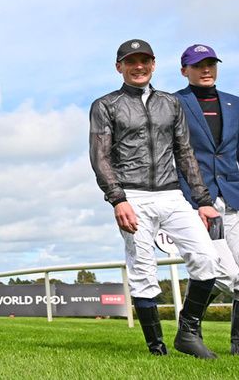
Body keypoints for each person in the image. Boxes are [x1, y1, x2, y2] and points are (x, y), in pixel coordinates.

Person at [88, 39, 224, 359]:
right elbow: (100, 157)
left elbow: (185, 153)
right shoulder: (105, 104)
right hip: (132, 196)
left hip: (173, 195)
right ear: (119, 66)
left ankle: (188, 333)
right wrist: (117, 199)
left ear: (153, 64)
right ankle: (156, 349)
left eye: (144, 60)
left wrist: (202, 199)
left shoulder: (170, 103)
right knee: (144, 273)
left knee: (207, 259)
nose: (138, 67)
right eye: (131, 61)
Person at [175, 44, 239, 356]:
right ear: (184, 70)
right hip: (199, 202)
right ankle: (188, 326)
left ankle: (238, 350)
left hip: (235, 199)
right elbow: (171, 155)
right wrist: (188, 198)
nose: (206, 70)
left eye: (211, 64)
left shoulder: (235, 104)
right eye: (198, 65)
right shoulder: (173, 103)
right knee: (225, 272)